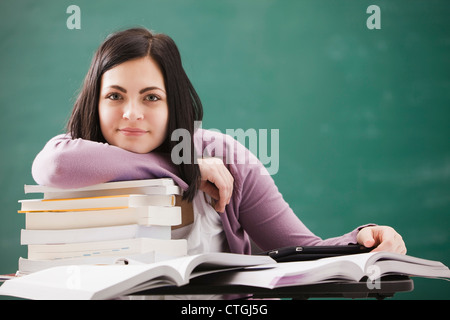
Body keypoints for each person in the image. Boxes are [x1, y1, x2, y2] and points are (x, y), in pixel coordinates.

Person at [32, 28, 406, 256]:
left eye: (151, 97)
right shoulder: (74, 152)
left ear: (173, 102)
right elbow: (54, 167)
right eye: (114, 96)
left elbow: (302, 250)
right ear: (95, 103)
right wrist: (185, 168)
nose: (131, 113)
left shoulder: (221, 154)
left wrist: (364, 240)